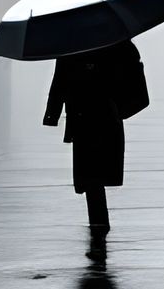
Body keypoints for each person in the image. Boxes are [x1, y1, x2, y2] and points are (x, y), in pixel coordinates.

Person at [43, 38, 142, 236]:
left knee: (90, 175)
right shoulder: (117, 42)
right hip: (105, 115)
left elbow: (60, 80)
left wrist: (52, 115)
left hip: (84, 118)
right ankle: (98, 221)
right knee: (95, 175)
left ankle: (98, 222)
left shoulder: (72, 45)